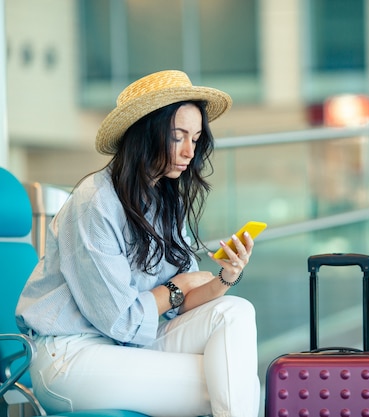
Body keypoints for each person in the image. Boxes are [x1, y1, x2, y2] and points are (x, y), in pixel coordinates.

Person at [15, 70, 260, 417]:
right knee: (231, 382)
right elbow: (121, 320)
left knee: (237, 311)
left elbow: (184, 301)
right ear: (147, 133)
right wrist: (180, 285)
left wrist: (226, 277)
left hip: (131, 344)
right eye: (178, 137)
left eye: (196, 137)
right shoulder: (95, 202)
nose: (190, 151)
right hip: (71, 356)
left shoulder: (164, 201)